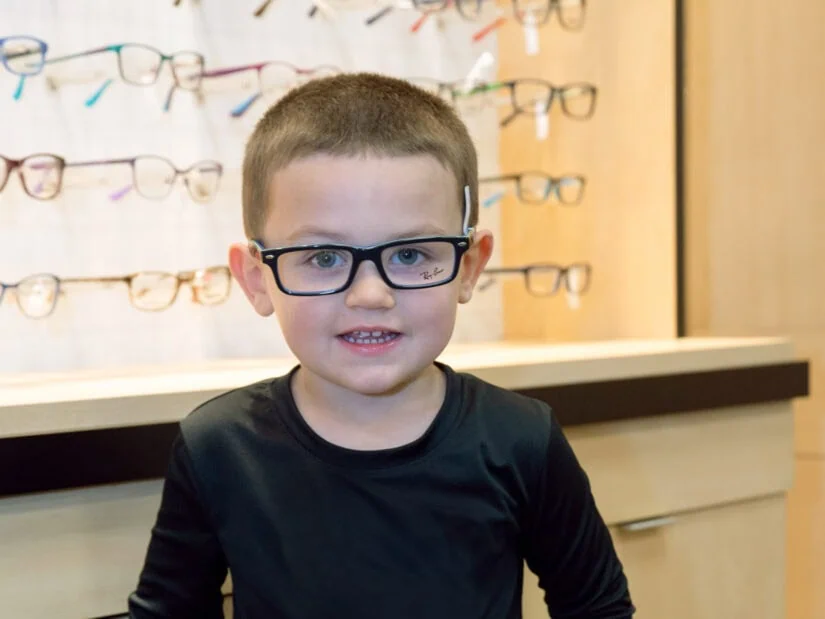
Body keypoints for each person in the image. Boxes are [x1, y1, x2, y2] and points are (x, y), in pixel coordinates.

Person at [128, 73, 634, 618]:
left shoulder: (522, 439)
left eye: (412, 255)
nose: (371, 294)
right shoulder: (217, 447)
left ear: (468, 267)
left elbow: (597, 609)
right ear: (256, 278)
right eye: (323, 257)